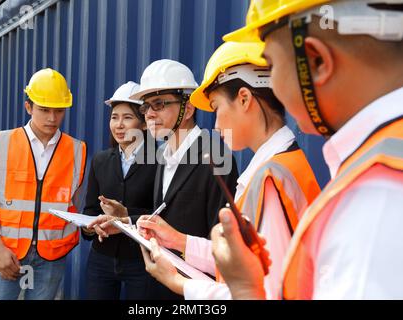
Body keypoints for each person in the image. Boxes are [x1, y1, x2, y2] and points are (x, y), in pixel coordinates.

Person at [212, 0, 403, 299]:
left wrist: (245, 289)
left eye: (272, 66)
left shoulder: (376, 200)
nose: (272, 84)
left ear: (316, 60)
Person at [137, 41, 320, 299]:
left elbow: (261, 293)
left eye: (216, 108)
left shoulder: (271, 181)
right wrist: (178, 239)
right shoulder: (278, 167)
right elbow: (244, 263)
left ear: (244, 99)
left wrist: (180, 283)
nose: (217, 123)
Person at [111, 59, 239, 300]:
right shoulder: (162, 155)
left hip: (197, 292)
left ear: (188, 109)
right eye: (146, 106)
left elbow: (222, 244)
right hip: (162, 285)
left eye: (158, 104)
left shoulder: (216, 158)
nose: (149, 114)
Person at [0, 68, 87, 300]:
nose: (52, 118)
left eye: (58, 111)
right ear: (28, 107)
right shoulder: (2, 142)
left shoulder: (77, 150)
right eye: (44, 110)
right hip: (8, 253)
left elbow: (77, 207)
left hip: (51, 258)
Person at [81, 81, 157, 299]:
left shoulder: (161, 161)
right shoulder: (100, 160)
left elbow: (160, 215)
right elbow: (90, 210)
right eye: (114, 117)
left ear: (143, 124)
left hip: (141, 261)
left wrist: (125, 216)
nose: (119, 125)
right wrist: (90, 227)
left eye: (127, 117)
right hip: (101, 259)